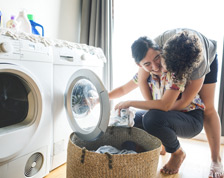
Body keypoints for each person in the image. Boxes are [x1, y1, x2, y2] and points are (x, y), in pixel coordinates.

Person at [111, 31, 204, 174]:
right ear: (139, 64)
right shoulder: (146, 75)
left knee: (151, 118)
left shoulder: (173, 70)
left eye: (157, 58)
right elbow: (123, 89)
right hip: (167, 116)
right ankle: (137, 151)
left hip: (191, 118)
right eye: (147, 64)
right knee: (132, 118)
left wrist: (130, 102)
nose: (155, 66)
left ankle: (177, 153)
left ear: (161, 52)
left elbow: (164, 105)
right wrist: (100, 98)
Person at [137, 28, 222, 178]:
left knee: (209, 108)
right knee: (151, 116)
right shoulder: (155, 46)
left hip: (202, 57)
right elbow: (142, 79)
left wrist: (160, 110)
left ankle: (216, 160)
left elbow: (183, 102)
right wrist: (154, 109)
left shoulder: (198, 67)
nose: (160, 70)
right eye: (162, 65)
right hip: (174, 52)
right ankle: (163, 136)